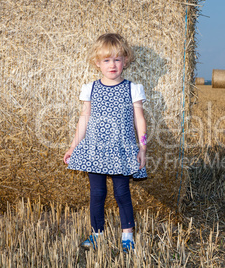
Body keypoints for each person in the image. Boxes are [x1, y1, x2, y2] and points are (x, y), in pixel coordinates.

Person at [63, 33, 147, 252]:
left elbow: (139, 119)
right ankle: (97, 233)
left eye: (117, 59)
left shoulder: (132, 88)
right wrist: (73, 146)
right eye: (107, 60)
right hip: (94, 150)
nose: (112, 65)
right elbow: (84, 118)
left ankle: (127, 235)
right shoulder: (90, 88)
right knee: (97, 194)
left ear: (126, 61)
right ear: (97, 63)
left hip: (122, 150)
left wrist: (143, 147)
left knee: (122, 193)